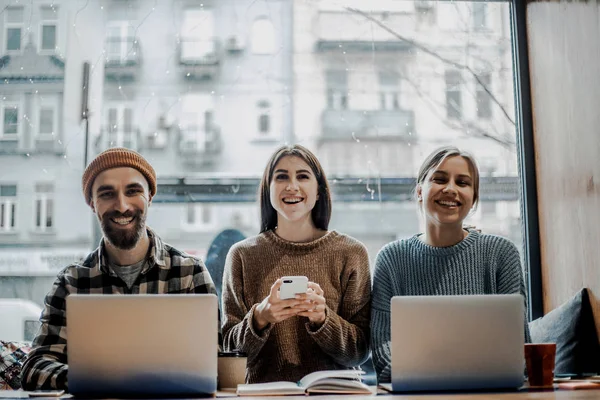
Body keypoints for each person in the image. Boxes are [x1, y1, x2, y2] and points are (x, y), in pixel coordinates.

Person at [20, 148, 219, 391]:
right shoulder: (72, 282)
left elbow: (213, 363)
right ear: (93, 204)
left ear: (150, 197)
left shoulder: (189, 273)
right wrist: (90, 378)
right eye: (107, 194)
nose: (122, 205)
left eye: (133, 191)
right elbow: (35, 366)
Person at [370, 146, 531, 383]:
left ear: (473, 198)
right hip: (416, 391)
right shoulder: (391, 258)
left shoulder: (501, 253)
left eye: (463, 183)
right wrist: (430, 377)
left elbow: (519, 346)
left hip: (490, 392)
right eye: (439, 179)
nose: (451, 189)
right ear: (419, 192)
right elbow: (383, 350)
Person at [221, 144, 371, 383]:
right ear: (268, 190)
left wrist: (323, 318)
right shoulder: (242, 255)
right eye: (281, 177)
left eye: (302, 176)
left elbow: (359, 352)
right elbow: (228, 354)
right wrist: (260, 317)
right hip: (266, 397)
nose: (292, 186)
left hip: (335, 395)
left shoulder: (351, 253)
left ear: (319, 191)